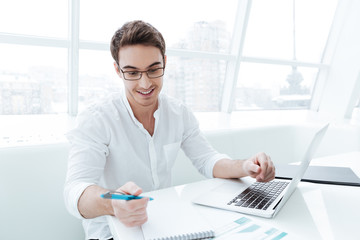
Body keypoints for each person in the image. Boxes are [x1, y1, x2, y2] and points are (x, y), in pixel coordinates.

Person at [64, 20, 275, 240]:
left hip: (164, 227)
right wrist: (112, 204)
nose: (145, 84)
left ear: (164, 62)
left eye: (153, 70)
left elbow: (207, 160)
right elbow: (74, 190)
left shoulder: (178, 112)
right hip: (111, 233)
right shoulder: (97, 119)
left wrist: (245, 166)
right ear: (118, 70)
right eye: (133, 73)